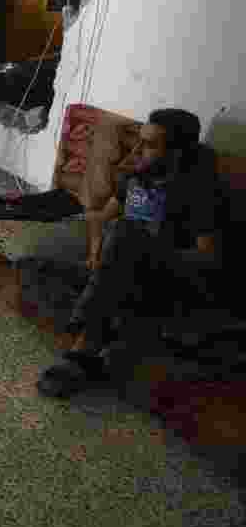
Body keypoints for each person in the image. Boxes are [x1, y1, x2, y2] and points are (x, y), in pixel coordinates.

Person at [37, 108, 225, 398]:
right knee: (36, 267)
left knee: (126, 233)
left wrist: (153, 248)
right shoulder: (138, 178)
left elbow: (207, 258)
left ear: (177, 152)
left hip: (165, 279)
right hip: (120, 271)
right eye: (139, 140)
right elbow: (100, 218)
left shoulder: (197, 190)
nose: (136, 150)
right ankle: (107, 329)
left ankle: (83, 348)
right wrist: (96, 253)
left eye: (148, 145)